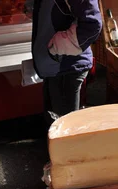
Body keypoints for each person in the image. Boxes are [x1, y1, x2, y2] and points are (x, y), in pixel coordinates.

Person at [31, 0, 102, 129]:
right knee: (54, 125)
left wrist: (59, 45)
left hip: (66, 67)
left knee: (65, 130)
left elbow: (92, 25)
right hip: (54, 64)